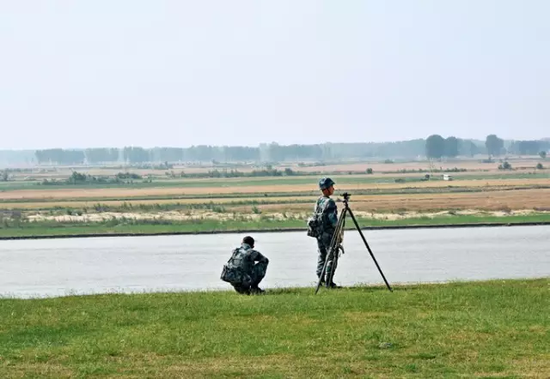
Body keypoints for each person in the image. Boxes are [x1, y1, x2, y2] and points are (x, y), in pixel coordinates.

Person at [313, 177, 340, 288]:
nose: (333, 188)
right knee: (331, 256)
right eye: (331, 187)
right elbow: (333, 220)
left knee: (322, 255)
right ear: (327, 189)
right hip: (329, 234)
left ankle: (321, 279)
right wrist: (338, 232)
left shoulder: (319, 201)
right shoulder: (330, 202)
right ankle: (329, 282)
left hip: (319, 233)